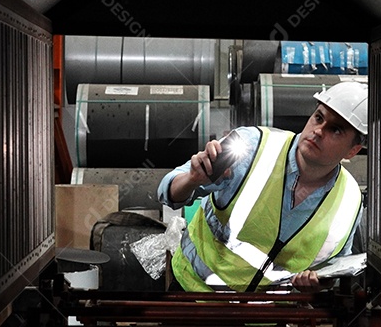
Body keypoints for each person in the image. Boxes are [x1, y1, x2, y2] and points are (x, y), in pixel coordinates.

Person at [157, 81, 367, 292]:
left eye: (336, 130)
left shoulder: (350, 199)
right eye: (318, 118)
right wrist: (192, 180)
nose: (319, 131)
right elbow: (167, 192)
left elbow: (335, 269)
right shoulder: (250, 146)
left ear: (352, 151)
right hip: (192, 294)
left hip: (263, 317)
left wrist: (317, 284)